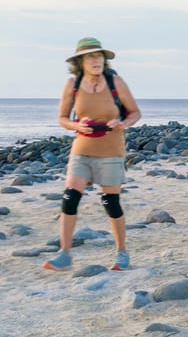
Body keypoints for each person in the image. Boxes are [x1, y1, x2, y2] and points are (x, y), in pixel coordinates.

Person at [43, 37, 141, 271]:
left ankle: (122, 253)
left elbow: (135, 113)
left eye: (99, 56)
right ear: (80, 61)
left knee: (111, 202)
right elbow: (62, 118)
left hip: (110, 150)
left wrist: (123, 123)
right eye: (90, 56)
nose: (96, 60)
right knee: (69, 197)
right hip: (82, 150)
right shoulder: (72, 85)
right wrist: (76, 126)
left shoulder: (115, 82)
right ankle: (64, 253)